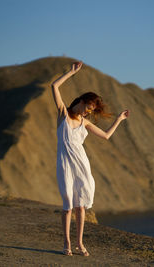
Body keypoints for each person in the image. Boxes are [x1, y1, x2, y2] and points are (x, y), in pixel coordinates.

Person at [50, 61, 129, 256]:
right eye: (88, 107)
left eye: (92, 110)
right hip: (65, 165)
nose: (88, 112)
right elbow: (54, 86)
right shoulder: (63, 114)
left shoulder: (85, 123)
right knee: (68, 205)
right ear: (82, 101)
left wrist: (118, 119)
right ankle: (66, 243)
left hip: (81, 165)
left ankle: (79, 243)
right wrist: (71, 72)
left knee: (81, 206)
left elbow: (106, 136)